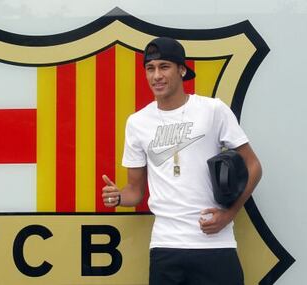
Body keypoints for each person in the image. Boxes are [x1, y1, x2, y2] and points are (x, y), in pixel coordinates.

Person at [102, 37, 262, 285]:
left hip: (214, 244)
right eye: (150, 68)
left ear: (182, 70)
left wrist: (229, 215)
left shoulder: (212, 110)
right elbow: (135, 191)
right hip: (166, 247)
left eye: (164, 66)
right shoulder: (137, 122)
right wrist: (119, 197)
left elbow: (253, 166)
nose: (156, 76)